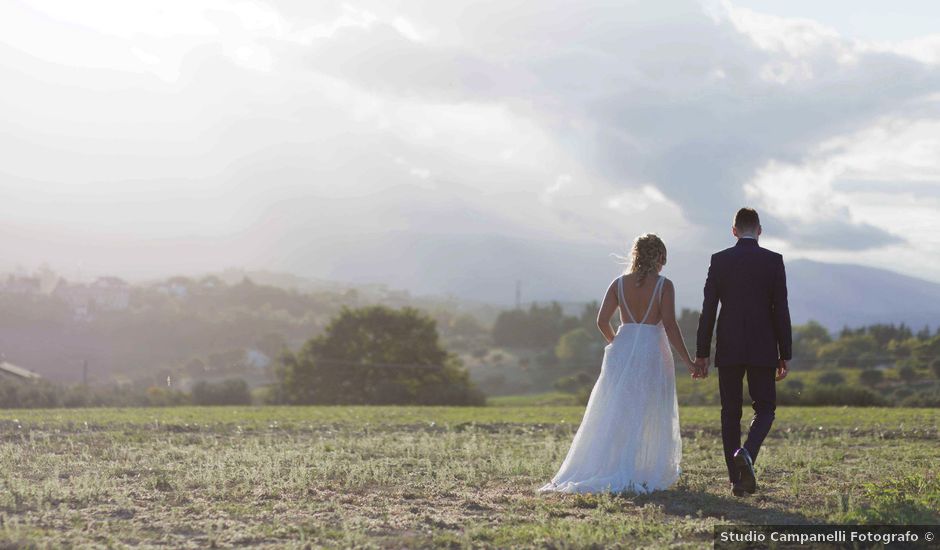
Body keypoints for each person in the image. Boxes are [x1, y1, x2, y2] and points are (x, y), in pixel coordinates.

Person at [539, 233, 696, 495]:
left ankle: (609, 463)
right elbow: (669, 324)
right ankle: (637, 467)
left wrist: (618, 343)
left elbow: (602, 320)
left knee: (617, 409)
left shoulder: (618, 283)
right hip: (651, 350)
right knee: (648, 409)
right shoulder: (664, 286)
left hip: (622, 348)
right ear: (659, 257)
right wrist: (688, 361)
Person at [694, 207, 792, 497]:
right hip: (764, 347)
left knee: (730, 413)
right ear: (759, 231)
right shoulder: (774, 261)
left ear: (733, 230)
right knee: (765, 409)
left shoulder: (719, 260)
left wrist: (702, 352)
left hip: (729, 345)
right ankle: (747, 454)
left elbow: (708, 310)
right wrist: (784, 351)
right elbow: (781, 309)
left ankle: (735, 479)